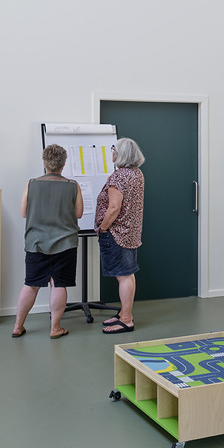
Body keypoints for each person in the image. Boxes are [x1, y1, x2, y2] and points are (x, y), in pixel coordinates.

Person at [12, 143, 83, 339]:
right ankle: (55, 328)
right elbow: (78, 213)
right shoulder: (72, 186)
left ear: (44, 163)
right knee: (59, 284)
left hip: (36, 243)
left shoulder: (32, 183)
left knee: (31, 284)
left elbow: (24, 212)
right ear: (63, 164)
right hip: (65, 244)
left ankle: (18, 326)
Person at [94, 136, 145, 334]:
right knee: (127, 274)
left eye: (113, 149)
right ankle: (125, 313)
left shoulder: (119, 177)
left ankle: (126, 319)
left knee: (123, 276)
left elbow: (114, 207)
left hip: (117, 233)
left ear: (121, 153)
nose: (112, 152)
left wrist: (103, 228)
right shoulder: (136, 174)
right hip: (130, 232)